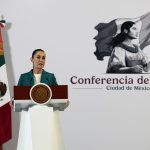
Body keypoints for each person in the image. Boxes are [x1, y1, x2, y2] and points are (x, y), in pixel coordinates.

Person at [16, 49, 68, 150]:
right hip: (29, 117)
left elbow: (59, 96)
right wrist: (13, 100)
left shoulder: (50, 77)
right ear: (31, 59)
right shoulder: (24, 77)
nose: (41, 60)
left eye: (43, 58)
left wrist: (65, 100)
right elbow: (18, 97)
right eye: (38, 57)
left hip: (47, 117)